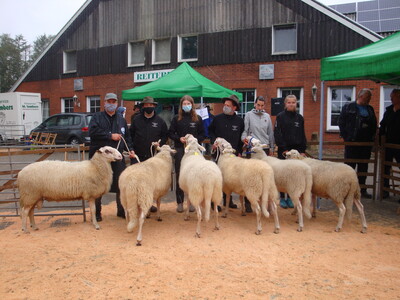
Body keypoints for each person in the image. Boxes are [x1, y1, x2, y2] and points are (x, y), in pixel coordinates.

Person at [88, 93, 135, 221]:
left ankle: (121, 210)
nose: (111, 104)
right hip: (99, 159)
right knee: (98, 185)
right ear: (104, 103)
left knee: (120, 182)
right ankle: (97, 213)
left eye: (114, 102)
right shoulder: (96, 117)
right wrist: (109, 136)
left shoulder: (121, 119)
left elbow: (127, 137)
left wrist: (130, 149)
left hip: (117, 156)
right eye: (109, 101)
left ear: (116, 103)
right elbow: (92, 132)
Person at [130, 96, 168, 212]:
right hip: (138, 156)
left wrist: (159, 143)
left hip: (153, 157)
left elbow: (164, 136)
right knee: (137, 181)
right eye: (146, 105)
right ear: (143, 107)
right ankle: (137, 205)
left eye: (151, 105)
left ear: (154, 107)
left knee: (151, 182)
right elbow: (130, 136)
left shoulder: (160, 121)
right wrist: (131, 149)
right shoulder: (136, 120)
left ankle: (148, 203)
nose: (149, 107)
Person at [338, 88, 377, 199]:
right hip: (352, 142)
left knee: (363, 166)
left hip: (366, 143)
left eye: (370, 98)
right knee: (350, 166)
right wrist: (346, 137)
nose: (369, 100)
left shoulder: (370, 109)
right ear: (361, 96)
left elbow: (374, 123)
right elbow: (341, 122)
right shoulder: (348, 107)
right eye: (367, 97)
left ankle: (362, 190)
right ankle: (347, 190)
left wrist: (372, 136)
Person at [168, 95, 205, 213]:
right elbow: (170, 133)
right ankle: (179, 202)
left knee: (194, 176)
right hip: (180, 150)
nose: (186, 106)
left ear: (192, 105)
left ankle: (193, 201)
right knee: (180, 174)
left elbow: (203, 135)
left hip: (194, 152)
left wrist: (195, 139)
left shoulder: (197, 119)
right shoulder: (176, 119)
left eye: (188, 103)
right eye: (184, 104)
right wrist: (179, 139)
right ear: (181, 105)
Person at [209, 94, 244, 209]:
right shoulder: (217, 119)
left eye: (228, 105)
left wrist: (239, 151)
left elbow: (241, 138)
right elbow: (211, 131)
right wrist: (214, 142)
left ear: (234, 108)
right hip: (219, 154)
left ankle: (228, 201)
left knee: (229, 178)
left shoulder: (239, 121)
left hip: (233, 155)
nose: (225, 107)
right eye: (224, 105)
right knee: (218, 178)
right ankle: (216, 202)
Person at [241, 95, 275, 212]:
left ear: (264, 105)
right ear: (254, 104)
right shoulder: (249, 115)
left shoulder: (267, 117)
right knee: (250, 176)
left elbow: (270, 133)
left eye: (262, 105)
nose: (260, 107)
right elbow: (245, 130)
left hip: (264, 149)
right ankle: (249, 203)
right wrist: (244, 139)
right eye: (258, 105)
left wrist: (271, 148)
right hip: (253, 148)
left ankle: (263, 203)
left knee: (263, 176)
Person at [274, 94, 307, 208]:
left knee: (294, 175)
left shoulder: (300, 118)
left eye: (293, 102)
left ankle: (293, 197)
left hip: (297, 152)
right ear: (285, 104)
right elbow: (277, 134)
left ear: (296, 104)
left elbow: (302, 135)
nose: (291, 104)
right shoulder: (280, 117)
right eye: (289, 102)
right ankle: (283, 198)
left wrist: (302, 150)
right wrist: (283, 148)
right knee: (283, 175)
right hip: (284, 151)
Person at [379, 89, 400, 199]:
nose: (391, 99)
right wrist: (380, 141)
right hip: (388, 144)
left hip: (399, 145)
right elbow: (383, 126)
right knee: (385, 167)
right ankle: (384, 190)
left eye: (393, 97)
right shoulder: (389, 111)